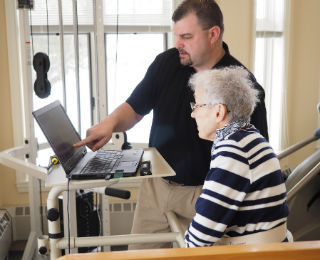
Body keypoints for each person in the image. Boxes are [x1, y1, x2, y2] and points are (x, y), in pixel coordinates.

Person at [74, 0, 269, 249]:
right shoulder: (167, 62)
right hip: (157, 186)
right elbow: (134, 108)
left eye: (186, 36)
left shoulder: (242, 88)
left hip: (206, 194)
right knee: (139, 255)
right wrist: (110, 123)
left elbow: (254, 161)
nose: (178, 44)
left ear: (213, 34)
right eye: (176, 35)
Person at [185, 66, 290, 247]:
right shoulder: (250, 137)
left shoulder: (233, 151)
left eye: (197, 105)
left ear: (219, 112)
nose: (192, 113)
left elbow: (200, 237)